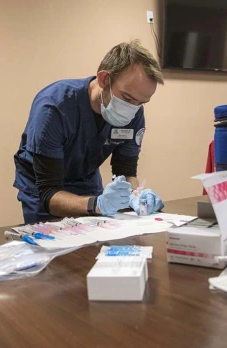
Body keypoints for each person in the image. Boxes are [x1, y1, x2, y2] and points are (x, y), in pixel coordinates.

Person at [14, 40, 165, 224]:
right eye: (127, 98)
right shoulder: (54, 107)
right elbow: (48, 193)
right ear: (104, 79)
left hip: (87, 183)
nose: (132, 109)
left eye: (141, 103)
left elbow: (125, 172)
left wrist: (137, 195)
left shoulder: (134, 113)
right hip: (44, 192)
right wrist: (98, 204)